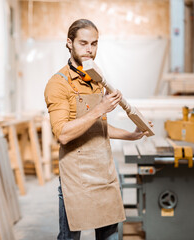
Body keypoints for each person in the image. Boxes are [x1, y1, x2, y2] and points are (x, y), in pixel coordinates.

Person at [44, 19, 152, 240]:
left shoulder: (95, 79)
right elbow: (63, 134)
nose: (89, 50)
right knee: (70, 238)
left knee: (110, 236)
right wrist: (100, 108)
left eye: (94, 44)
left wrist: (131, 135)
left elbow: (98, 127)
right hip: (76, 176)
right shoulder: (58, 84)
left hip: (103, 171)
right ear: (69, 43)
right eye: (83, 43)